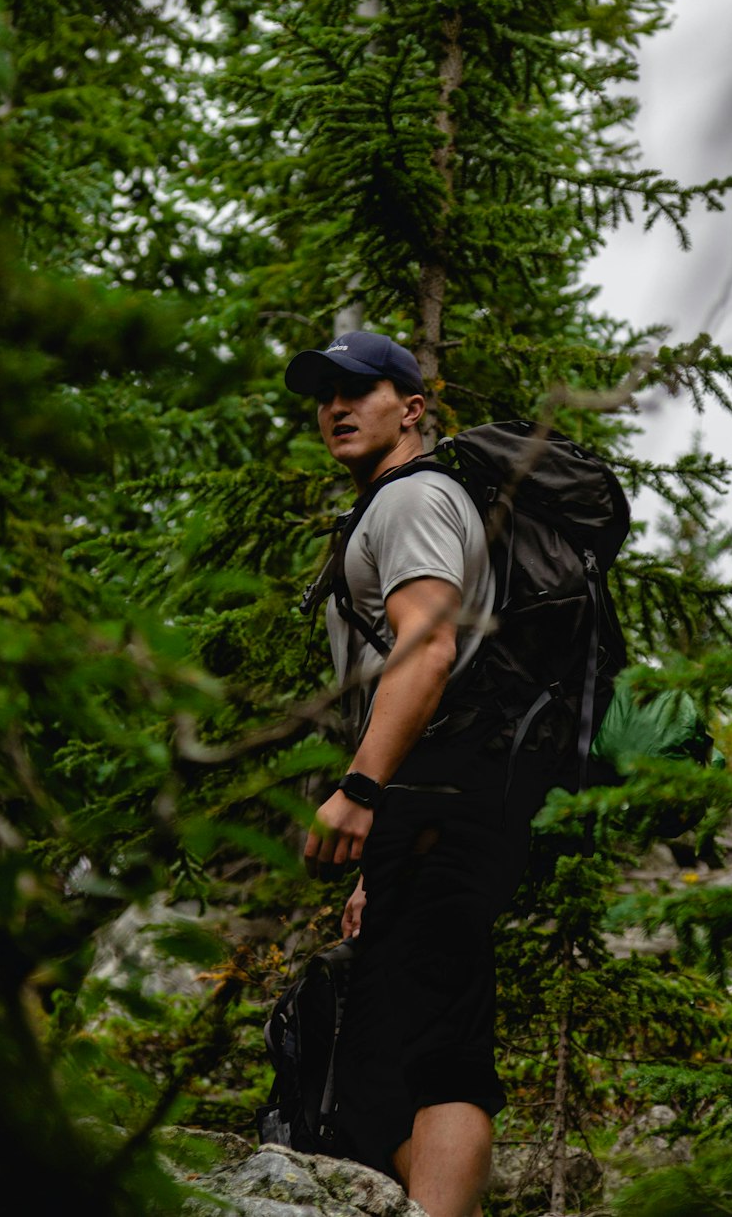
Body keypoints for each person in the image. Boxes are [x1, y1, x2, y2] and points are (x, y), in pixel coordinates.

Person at [284, 331, 551, 1217]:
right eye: (324, 394)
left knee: (439, 1046)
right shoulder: (398, 506)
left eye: (360, 388)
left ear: (413, 408)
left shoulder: (412, 500)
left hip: (445, 786)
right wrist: (377, 852)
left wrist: (359, 791)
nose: (335, 406)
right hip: (435, 797)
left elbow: (429, 644)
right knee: (376, 1067)